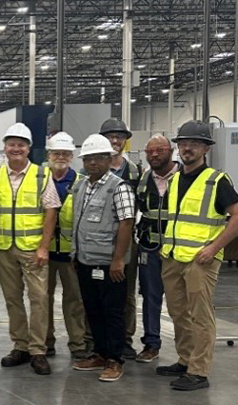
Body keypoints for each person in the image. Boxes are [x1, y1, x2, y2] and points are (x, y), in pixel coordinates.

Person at [157, 120, 238, 391]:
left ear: (205, 149)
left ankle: (199, 371)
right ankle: (185, 360)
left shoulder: (216, 181)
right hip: (173, 256)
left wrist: (214, 247)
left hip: (200, 260)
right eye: (183, 143)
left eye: (194, 144)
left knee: (200, 315)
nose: (187, 148)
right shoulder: (174, 180)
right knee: (178, 313)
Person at [0, 123, 61, 375]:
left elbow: (51, 211)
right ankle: (20, 346)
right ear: (5, 147)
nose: (16, 148)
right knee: (12, 299)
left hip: (33, 249)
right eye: (12, 144)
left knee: (39, 299)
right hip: (2, 247)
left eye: (21, 144)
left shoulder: (42, 175)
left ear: (29, 148)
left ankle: (38, 350)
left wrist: (43, 247)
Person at [69, 135, 137, 382]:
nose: (92, 163)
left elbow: (126, 223)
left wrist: (118, 260)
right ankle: (99, 352)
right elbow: (78, 222)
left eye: (98, 158)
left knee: (113, 312)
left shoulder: (119, 187)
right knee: (93, 310)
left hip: (110, 264)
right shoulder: (82, 185)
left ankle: (115, 359)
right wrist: (76, 254)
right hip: (86, 261)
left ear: (109, 159)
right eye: (88, 159)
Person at [43, 132, 90, 361]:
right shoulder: (40, 180)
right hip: (45, 251)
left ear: (71, 156)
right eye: (56, 153)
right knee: (43, 299)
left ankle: (77, 343)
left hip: (71, 253)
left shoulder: (82, 182)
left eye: (65, 153)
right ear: (48, 155)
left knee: (75, 300)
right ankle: (46, 341)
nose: (60, 157)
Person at [100, 118, 143, 359]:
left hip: (127, 240)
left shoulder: (136, 171)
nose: (115, 140)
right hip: (98, 240)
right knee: (98, 290)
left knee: (126, 291)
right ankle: (99, 338)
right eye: (110, 136)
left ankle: (125, 339)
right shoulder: (91, 169)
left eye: (120, 137)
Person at [134, 134, 180, 363]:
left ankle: (186, 350)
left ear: (171, 151)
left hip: (179, 251)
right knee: (150, 297)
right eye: (150, 151)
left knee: (180, 301)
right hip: (149, 248)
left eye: (159, 150)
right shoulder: (142, 180)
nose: (154, 154)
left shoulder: (186, 178)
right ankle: (151, 344)